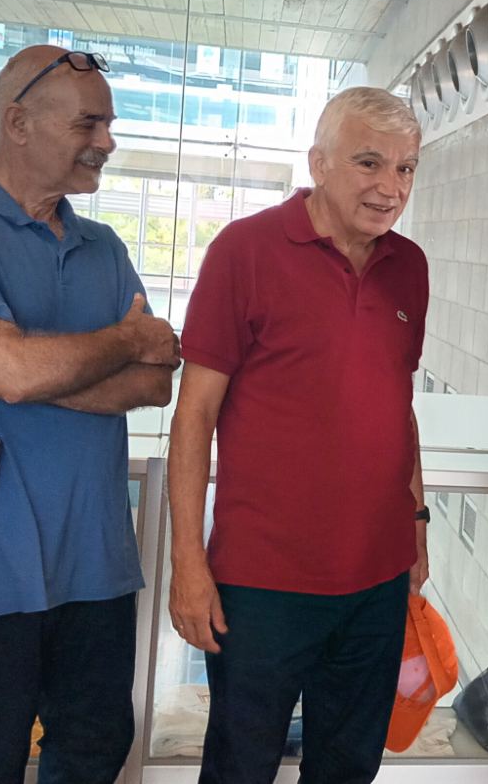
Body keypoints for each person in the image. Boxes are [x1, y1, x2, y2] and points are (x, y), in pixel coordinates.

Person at [0, 45, 178, 784]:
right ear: (17, 123)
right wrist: (121, 341)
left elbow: (155, 385)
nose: (107, 141)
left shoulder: (103, 245)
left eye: (109, 124)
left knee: (96, 747)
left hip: (96, 560)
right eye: (89, 123)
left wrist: (10, 376)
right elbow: (21, 369)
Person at [167, 86, 429, 784]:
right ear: (319, 162)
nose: (390, 187)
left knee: (348, 769)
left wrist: (418, 523)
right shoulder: (244, 250)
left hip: (377, 580)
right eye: (370, 163)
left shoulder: (410, 265)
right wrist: (188, 561)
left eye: (405, 168)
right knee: (240, 768)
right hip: (262, 585)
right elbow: (193, 417)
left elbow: (398, 405)